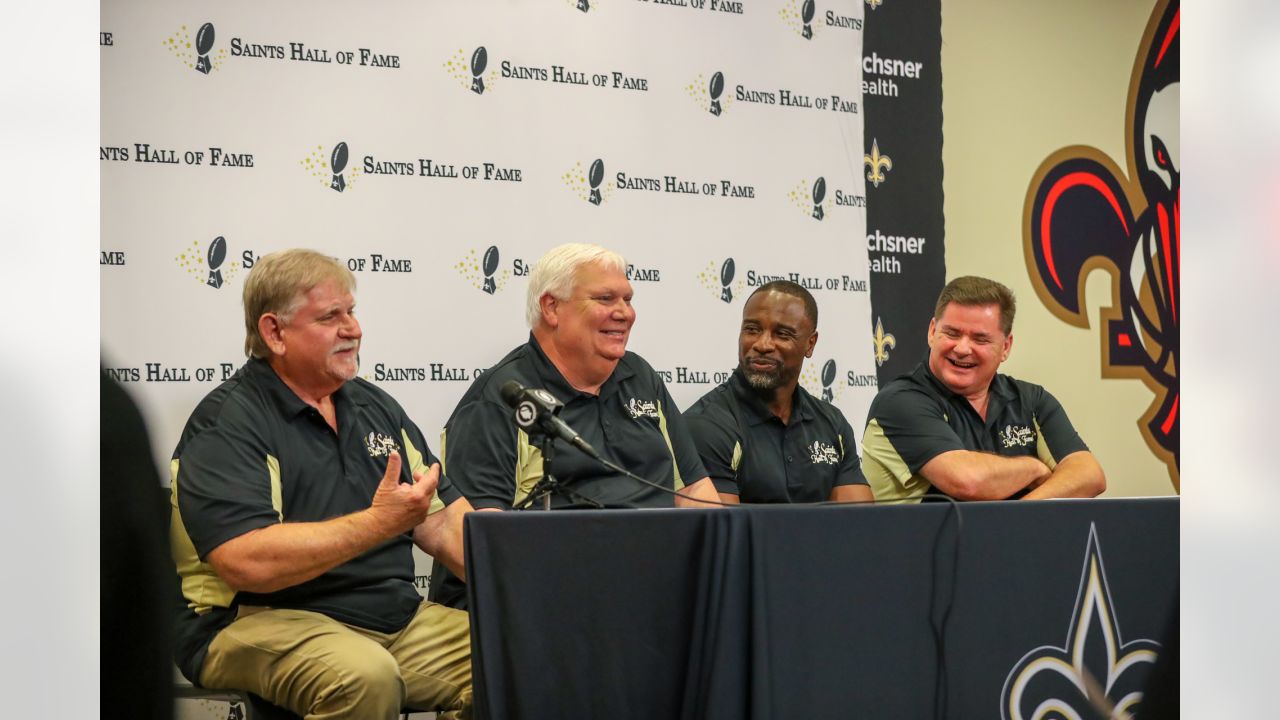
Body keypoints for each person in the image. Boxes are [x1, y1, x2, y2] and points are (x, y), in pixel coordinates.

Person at [168, 249, 475, 719]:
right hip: (254, 618)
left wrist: (525, 582)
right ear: (274, 333)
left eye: (351, 312)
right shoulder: (228, 422)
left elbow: (444, 523)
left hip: (390, 615)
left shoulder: (374, 406)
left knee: (519, 652)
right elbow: (246, 562)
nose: (353, 329)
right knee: (363, 676)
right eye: (331, 316)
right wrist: (378, 524)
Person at [428, 243, 719, 608]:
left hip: (655, 585)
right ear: (552, 307)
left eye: (628, 299)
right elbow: (483, 539)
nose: (624, 313)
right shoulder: (502, 399)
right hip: (549, 598)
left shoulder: (641, 376)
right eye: (606, 298)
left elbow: (694, 493)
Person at [861, 275, 1106, 502]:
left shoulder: (1031, 400)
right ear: (932, 332)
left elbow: (1089, 475)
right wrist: (1034, 468)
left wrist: (1019, 517)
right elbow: (966, 481)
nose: (962, 348)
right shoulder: (900, 401)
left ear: (1006, 347)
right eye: (952, 333)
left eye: (980, 339)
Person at [684, 281, 873, 504]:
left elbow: (858, 524)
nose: (762, 344)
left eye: (782, 334)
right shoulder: (706, 425)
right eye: (752, 330)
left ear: (810, 344)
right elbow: (725, 531)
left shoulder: (832, 423)